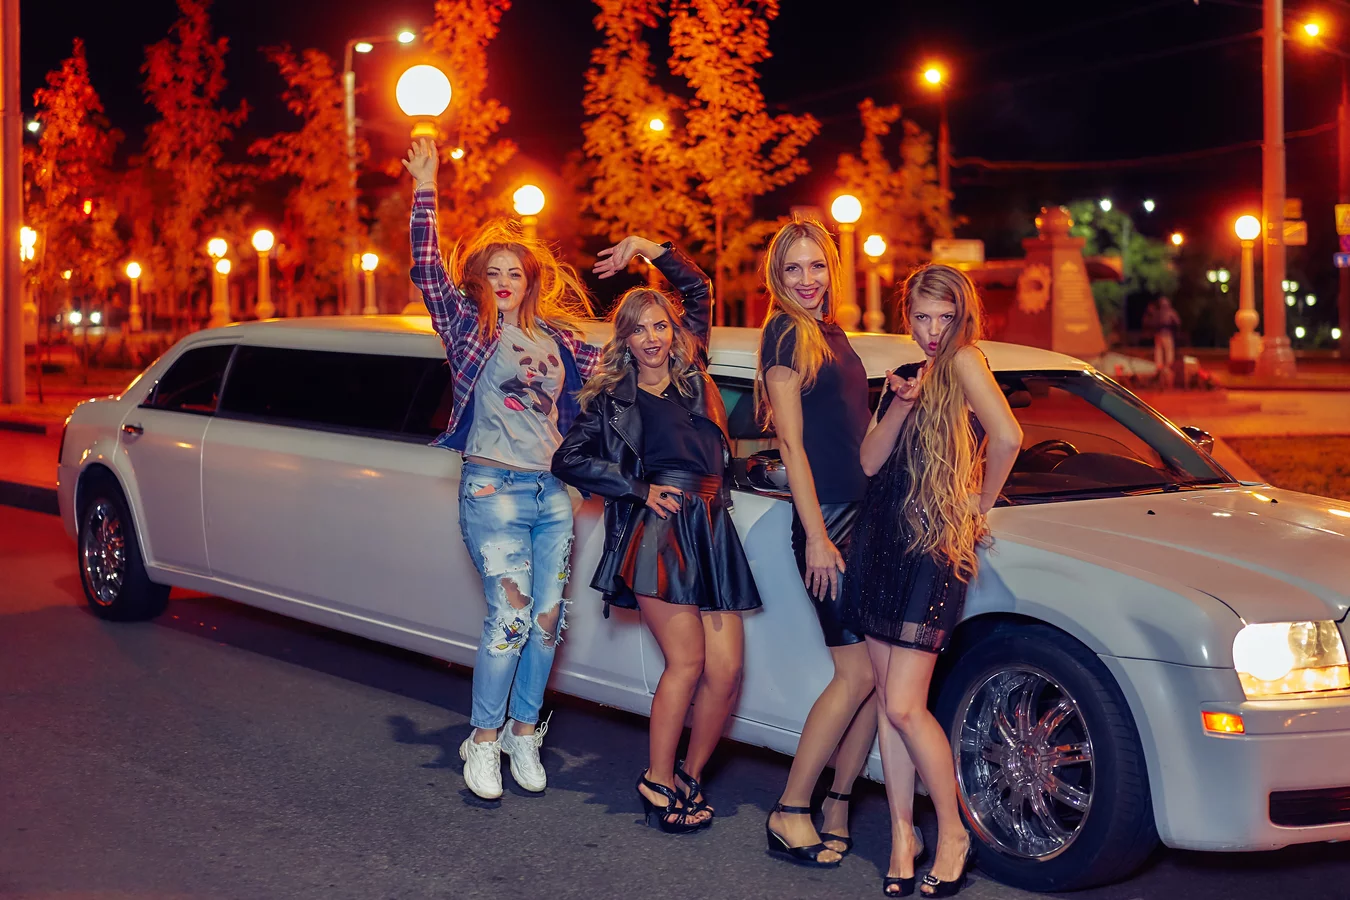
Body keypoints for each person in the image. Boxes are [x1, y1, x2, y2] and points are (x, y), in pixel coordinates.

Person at [404, 138, 599, 801]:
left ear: (531, 280)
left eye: (516, 272)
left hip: (552, 495)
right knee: (509, 621)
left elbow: (630, 367)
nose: (506, 282)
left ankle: (523, 733)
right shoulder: (468, 330)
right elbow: (427, 270)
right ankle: (483, 741)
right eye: (495, 273)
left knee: (547, 622)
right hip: (492, 491)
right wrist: (426, 187)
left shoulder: (562, 342)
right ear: (481, 282)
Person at [552, 235, 761, 833]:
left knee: (727, 672)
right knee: (687, 663)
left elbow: (698, 287)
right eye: (639, 329)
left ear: (674, 332)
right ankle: (658, 777)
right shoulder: (612, 402)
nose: (652, 337)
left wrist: (647, 248)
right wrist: (638, 489)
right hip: (659, 530)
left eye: (661, 325)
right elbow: (567, 459)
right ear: (625, 340)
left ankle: (691, 775)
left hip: (711, 526)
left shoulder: (694, 372)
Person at [848, 264, 1022, 897]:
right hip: (880, 541)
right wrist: (898, 403)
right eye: (921, 317)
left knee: (903, 704)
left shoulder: (966, 361)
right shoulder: (910, 374)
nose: (932, 330)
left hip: (930, 550)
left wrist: (980, 506)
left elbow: (1008, 436)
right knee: (888, 705)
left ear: (962, 316)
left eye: (944, 318)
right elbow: (870, 462)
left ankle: (952, 831)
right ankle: (902, 833)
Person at [755, 217, 878, 867]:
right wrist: (818, 538)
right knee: (855, 672)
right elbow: (792, 444)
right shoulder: (785, 331)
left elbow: (853, 428)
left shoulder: (834, 332)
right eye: (793, 268)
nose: (807, 279)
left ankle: (838, 802)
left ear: (833, 269)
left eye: (817, 266)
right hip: (827, 518)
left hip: (867, 513)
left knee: (878, 676)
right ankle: (790, 806)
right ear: (777, 276)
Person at [1143, 296, 1181, 389]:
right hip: (1166, 334)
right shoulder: (1170, 312)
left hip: (1159, 334)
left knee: (1159, 350)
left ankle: (1160, 367)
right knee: (1167, 351)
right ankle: (1167, 366)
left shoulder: (1157, 312)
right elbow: (1177, 322)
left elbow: (1150, 322)